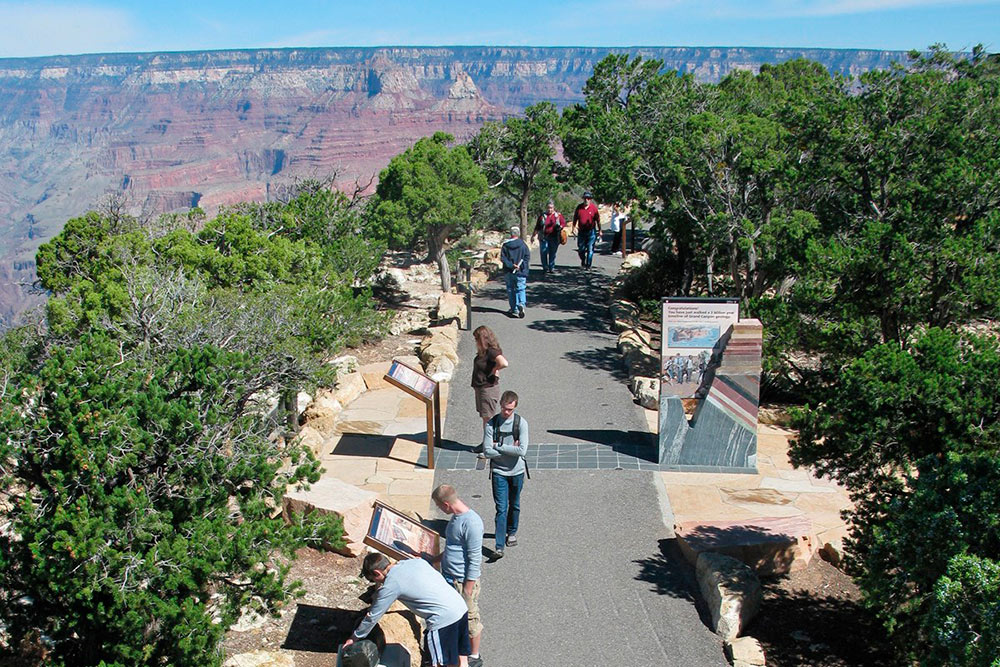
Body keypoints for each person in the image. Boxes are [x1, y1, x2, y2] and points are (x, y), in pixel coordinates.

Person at [344, 553, 471, 667]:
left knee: (436, 663)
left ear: (377, 573)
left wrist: (354, 638)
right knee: (461, 659)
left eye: (372, 579)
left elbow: (373, 616)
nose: (375, 582)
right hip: (459, 607)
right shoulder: (414, 562)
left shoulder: (391, 584)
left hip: (443, 619)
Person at [432, 485, 485, 667]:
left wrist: (468, 589)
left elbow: (474, 558)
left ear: (446, 504)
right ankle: (459, 650)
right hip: (449, 577)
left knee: (470, 618)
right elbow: (452, 548)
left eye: (439, 506)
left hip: (463, 581)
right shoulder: (455, 518)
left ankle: (475, 656)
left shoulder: (472, 523)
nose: (439, 509)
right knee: (455, 617)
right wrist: (435, 559)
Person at [482, 390, 529, 559]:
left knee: (514, 504)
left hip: (517, 472)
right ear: (500, 405)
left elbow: (522, 450)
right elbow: (486, 451)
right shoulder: (492, 424)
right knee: (501, 509)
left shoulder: (521, 423)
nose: (506, 412)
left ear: (515, 407)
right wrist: (511, 450)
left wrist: (498, 447)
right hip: (499, 472)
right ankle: (499, 546)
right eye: (504, 408)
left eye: (510, 409)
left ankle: (512, 532)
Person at [471, 326, 508, 452]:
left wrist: (494, 370)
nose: (475, 342)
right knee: (486, 418)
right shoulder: (484, 352)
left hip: (488, 389)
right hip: (482, 388)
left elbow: (504, 363)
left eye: (476, 339)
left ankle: (489, 445)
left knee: (488, 419)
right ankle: (488, 442)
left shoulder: (492, 351)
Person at [500, 225, 530, 318]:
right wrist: (520, 266)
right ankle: (521, 303)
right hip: (520, 271)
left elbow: (503, 258)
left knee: (510, 289)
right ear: (519, 234)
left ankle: (514, 309)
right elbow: (526, 257)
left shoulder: (505, 245)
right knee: (520, 288)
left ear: (511, 234)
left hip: (509, 272)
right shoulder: (523, 245)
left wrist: (511, 265)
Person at [530, 200, 565, 274]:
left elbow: (563, 223)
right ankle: (545, 267)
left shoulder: (557, 216)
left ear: (554, 208)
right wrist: (533, 235)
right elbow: (537, 226)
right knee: (543, 252)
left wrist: (560, 227)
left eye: (551, 208)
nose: (550, 209)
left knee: (552, 253)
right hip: (544, 237)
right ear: (546, 208)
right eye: (548, 208)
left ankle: (551, 267)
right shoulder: (542, 216)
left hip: (554, 237)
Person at [572, 191, 601, 269]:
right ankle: (583, 260)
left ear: (590, 199)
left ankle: (588, 265)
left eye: (588, 198)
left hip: (591, 232)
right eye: (585, 198)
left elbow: (598, 220)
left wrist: (600, 230)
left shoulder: (593, 208)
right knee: (581, 249)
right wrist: (573, 227)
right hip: (581, 231)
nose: (586, 200)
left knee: (590, 248)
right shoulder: (579, 207)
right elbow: (575, 218)